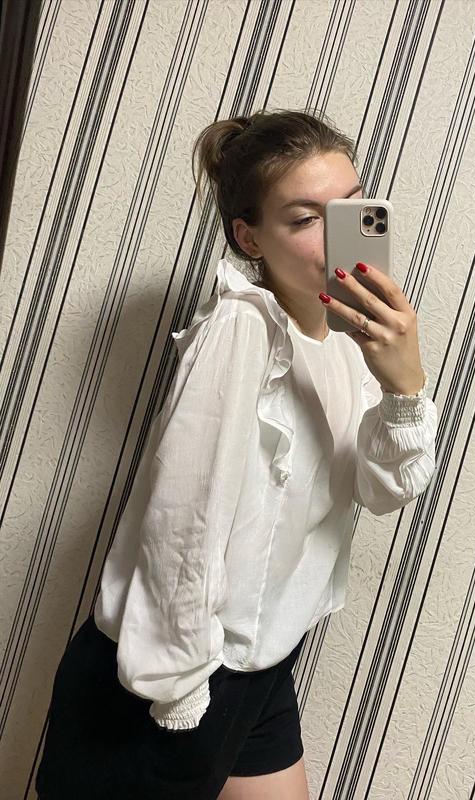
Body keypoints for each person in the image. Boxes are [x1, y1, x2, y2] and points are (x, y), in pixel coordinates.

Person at [35, 108, 437, 800]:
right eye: (305, 218)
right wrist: (179, 692)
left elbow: (381, 492)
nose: (337, 236)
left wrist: (403, 386)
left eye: (350, 208)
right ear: (248, 237)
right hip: (172, 678)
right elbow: (182, 522)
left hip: (261, 665)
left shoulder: (347, 343)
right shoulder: (241, 329)